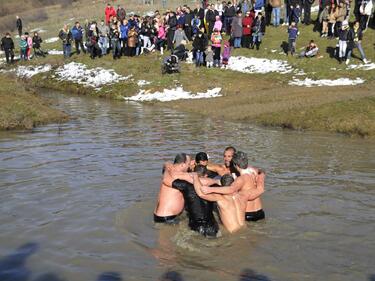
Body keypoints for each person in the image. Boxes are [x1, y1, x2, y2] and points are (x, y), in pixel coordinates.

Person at [201, 151, 266, 223]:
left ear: (235, 165)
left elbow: (231, 189)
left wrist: (210, 189)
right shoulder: (255, 171)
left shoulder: (241, 179)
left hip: (248, 214)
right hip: (260, 212)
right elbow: (262, 172)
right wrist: (260, 180)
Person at [171, 165, 219, 237]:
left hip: (196, 226)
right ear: (206, 175)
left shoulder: (185, 185)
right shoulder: (213, 186)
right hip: (212, 226)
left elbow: (170, 180)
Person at [154, 153, 192, 223]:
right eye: (188, 164)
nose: (189, 166)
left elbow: (166, 163)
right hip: (168, 218)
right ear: (182, 165)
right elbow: (198, 179)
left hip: (159, 215)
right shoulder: (181, 175)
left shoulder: (168, 168)